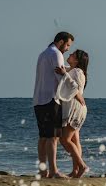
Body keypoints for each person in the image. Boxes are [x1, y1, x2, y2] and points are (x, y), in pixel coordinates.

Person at [32, 32, 73, 178]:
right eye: (67, 45)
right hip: (51, 99)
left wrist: (67, 69)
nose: (68, 49)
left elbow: (57, 70)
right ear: (61, 42)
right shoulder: (56, 54)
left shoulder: (43, 54)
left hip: (38, 99)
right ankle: (54, 170)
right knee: (53, 137)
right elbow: (60, 76)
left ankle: (43, 170)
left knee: (43, 137)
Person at [55, 49, 90, 177]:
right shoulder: (74, 70)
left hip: (75, 109)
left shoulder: (78, 71)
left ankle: (82, 165)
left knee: (64, 139)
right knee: (75, 140)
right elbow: (66, 69)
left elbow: (74, 86)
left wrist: (64, 74)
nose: (69, 55)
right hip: (78, 108)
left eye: (72, 55)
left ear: (77, 60)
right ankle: (76, 170)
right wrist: (65, 71)